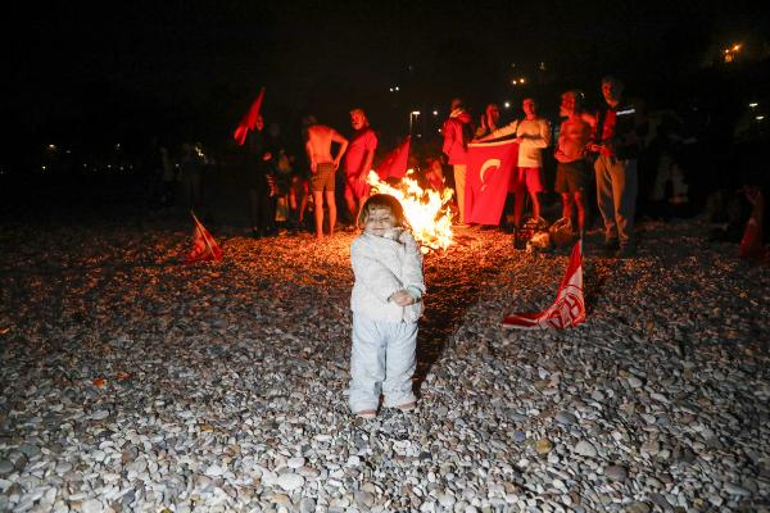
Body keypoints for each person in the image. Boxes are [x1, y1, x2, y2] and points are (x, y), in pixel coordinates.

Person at [349, 194, 425, 419]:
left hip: (405, 314)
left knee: (403, 357)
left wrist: (414, 290)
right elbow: (371, 272)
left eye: (385, 218)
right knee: (368, 357)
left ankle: (398, 392)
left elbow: (414, 266)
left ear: (397, 219)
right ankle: (364, 396)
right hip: (373, 312)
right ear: (363, 220)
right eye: (372, 218)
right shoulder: (362, 244)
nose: (379, 223)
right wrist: (393, 292)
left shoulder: (407, 240)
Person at [588, 76, 648, 257]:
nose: (608, 90)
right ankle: (612, 237)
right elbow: (596, 131)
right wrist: (591, 143)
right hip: (603, 159)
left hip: (622, 159)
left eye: (612, 86)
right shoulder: (602, 109)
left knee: (623, 202)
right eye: (605, 86)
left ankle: (627, 244)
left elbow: (641, 130)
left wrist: (618, 142)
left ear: (621, 88)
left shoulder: (629, 107)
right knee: (604, 202)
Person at [477, 98, 551, 231]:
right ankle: (517, 226)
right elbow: (500, 132)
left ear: (536, 105)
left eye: (531, 104)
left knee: (535, 195)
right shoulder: (519, 123)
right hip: (519, 164)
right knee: (519, 195)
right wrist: (481, 141)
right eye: (525, 104)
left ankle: (537, 225)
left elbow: (545, 142)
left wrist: (525, 140)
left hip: (533, 164)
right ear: (523, 107)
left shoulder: (542, 122)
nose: (528, 106)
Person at [554, 90, 594, 235]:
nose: (567, 104)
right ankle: (566, 233)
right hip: (562, 165)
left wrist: (591, 142)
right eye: (565, 102)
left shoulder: (584, 118)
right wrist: (556, 151)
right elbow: (561, 142)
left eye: (571, 101)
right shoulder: (564, 123)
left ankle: (582, 234)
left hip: (577, 164)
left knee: (579, 199)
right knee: (565, 199)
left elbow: (597, 125)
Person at [304, 116, 349, 239]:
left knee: (318, 202)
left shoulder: (309, 130)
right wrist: (338, 158)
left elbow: (308, 144)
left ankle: (319, 234)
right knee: (331, 201)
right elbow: (345, 141)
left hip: (318, 165)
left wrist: (312, 159)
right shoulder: (329, 130)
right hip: (330, 166)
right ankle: (331, 232)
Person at [343, 108, 378, 224]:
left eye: (357, 118)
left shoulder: (369, 133)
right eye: (352, 119)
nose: (354, 120)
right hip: (349, 173)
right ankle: (358, 221)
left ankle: (359, 224)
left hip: (360, 172)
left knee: (362, 198)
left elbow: (371, 153)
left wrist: (364, 172)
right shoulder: (356, 135)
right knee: (347, 197)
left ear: (363, 118)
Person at [442, 98, 474, 225]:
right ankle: (472, 216)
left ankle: (464, 219)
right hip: (472, 156)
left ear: (452, 108)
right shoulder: (470, 119)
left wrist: (446, 151)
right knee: (470, 188)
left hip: (459, 157)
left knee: (461, 188)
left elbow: (449, 140)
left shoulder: (452, 121)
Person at [245, 115, 278, 238]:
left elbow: (272, 151)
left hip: (264, 174)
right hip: (253, 174)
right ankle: (255, 228)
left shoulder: (266, 136)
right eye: (257, 120)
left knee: (266, 201)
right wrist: (261, 157)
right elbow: (249, 154)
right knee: (254, 202)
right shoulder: (249, 136)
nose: (260, 123)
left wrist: (270, 156)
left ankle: (265, 227)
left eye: (262, 120)